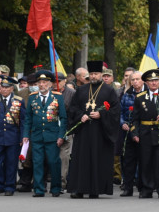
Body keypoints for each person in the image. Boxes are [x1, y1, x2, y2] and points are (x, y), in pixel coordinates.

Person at [66, 61, 120, 198]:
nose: (94, 76)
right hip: (84, 132)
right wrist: (81, 115)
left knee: (97, 159)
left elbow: (115, 111)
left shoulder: (109, 91)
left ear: (101, 74)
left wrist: (101, 114)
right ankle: (79, 188)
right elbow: (73, 108)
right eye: (91, 74)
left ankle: (95, 189)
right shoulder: (82, 90)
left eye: (96, 74)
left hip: (100, 133)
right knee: (81, 160)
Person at [22, 70, 66, 197]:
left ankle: (56, 188)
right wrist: (26, 134)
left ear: (50, 84)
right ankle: (39, 189)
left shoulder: (57, 97)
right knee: (37, 162)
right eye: (40, 82)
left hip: (52, 135)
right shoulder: (32, 97)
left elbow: (63, 118)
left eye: (45, 82)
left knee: (53, 162)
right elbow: (28, 118)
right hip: (36, 135)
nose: (42, 85)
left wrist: (61, 135)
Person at [133, 69, 159, 199]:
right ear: (146, 82)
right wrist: (135, 133)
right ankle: (146, 189)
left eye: (156, 80)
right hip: (145, 133)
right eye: (151, 81)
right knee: (146, 162)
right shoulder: (140, 97)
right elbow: (135, 118)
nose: (154, 83)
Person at [0, 76, 24, 195]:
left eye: (7, 88)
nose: (4, 90)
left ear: (12, 88)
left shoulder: (19, 100)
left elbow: (22, 121)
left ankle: (10, 186)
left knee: (11, 163)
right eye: (2, 87)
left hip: (13, 137)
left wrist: (23, 137)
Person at [117, 70, 143, 196]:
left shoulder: (147, 94)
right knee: (128, 160)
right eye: (133, 80)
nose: (135, 82)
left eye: (138, 79)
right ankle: (128, 187)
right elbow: (120, 112)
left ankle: (142, 186)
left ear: (143, 80)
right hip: (127, 131)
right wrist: (123, 123)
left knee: (143, 160)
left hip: (142, 131)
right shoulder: (127, 94)